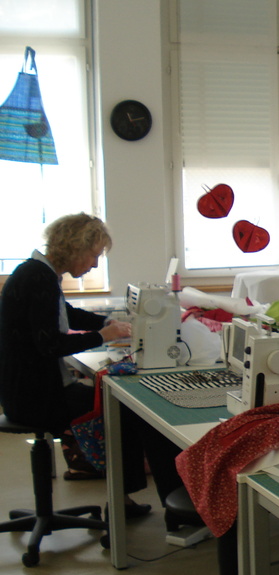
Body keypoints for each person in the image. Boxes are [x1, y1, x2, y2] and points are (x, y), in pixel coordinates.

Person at [0, 213, 183, 517]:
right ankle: (156, 504)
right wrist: (102, 336)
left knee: (120, 404)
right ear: (75, 247)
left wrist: (106, 323)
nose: (95, 264)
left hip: (22, 392)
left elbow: (65, 313)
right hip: (35, 399)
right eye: (93, 255)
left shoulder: (37, 272)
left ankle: (127, 499)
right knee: (131, 409)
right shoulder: (39, 279)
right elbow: (50, 345)